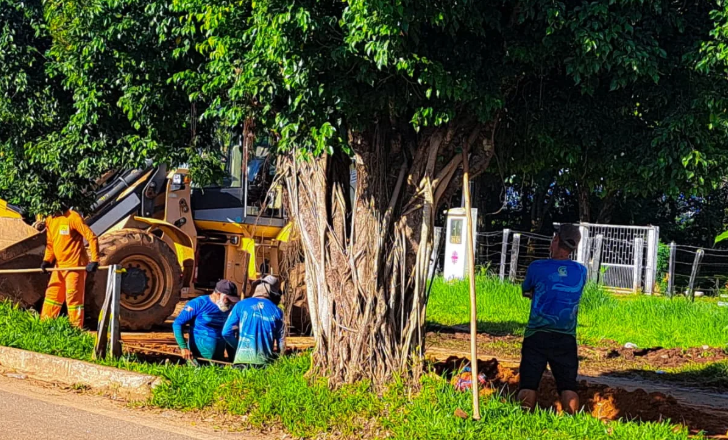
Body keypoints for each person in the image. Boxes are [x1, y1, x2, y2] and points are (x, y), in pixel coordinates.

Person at [518, 224, 588, 415]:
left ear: (556, 240)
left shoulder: (537, 267)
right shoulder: (581, 271)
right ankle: (572, 422)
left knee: (528, 383)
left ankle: (523, 419)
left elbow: (526, 291)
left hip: (537, 334)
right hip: (566, 337)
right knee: (568, 386)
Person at [40, 207, 100, 328]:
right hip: (59, 266)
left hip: (75, 265)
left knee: (73, 298)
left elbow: (92, 237)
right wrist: (47, 260)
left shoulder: (73, 218)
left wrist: (94, 260)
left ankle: (75, 329)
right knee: (52, 295)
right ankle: (44, 327)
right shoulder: (50, 219)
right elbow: (51, 243)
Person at [222, 275, 285, 367]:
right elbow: (281, 341)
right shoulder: (277, 311)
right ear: (273, 293)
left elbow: (226, 332)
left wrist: (238, 347)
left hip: (241, 360)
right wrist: (280, 361)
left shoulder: (240, 305)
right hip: (265, 363)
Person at [173, 280, 240, 362]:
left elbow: (230, 333)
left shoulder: (230, 309)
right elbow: (177, 323)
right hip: (196, 359)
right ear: (218, 294)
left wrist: (234, 360)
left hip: (218, 361)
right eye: (228, 299)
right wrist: (183, 348)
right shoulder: (198, 303)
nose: (230, 303)